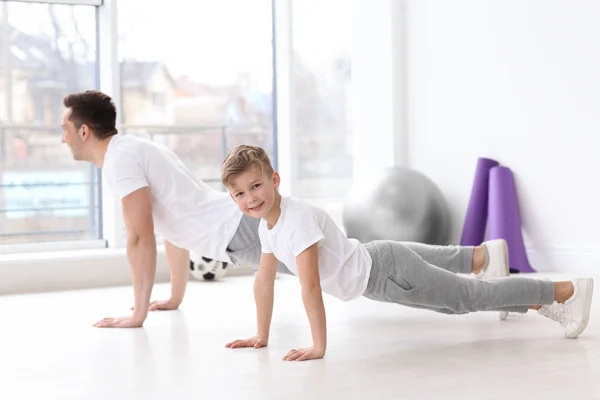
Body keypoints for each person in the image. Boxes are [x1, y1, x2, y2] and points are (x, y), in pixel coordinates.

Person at [221, 145, 594, 362]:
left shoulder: (296, 219)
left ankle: (563, 292)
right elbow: (264, 280)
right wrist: (260, 334)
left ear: (275, 180)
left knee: (467, 298)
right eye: (239, 194)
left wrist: (319, 346)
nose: (250, 198)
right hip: (381, 265)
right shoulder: (268, 225)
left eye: (256, 186)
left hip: (386, 274)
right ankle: (485, 259)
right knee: (455, 301)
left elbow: (311, 287)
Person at [60, 90, 286, 328]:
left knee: (323, 270)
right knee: (320, 266)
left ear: (83, 131)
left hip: (238, 230)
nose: (63, 139)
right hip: (237, 225)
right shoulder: (134, 148)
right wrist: (175, 298)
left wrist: (138, 314)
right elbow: (173, 227)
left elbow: (139, 236)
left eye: (65, 130)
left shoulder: (120, 161)